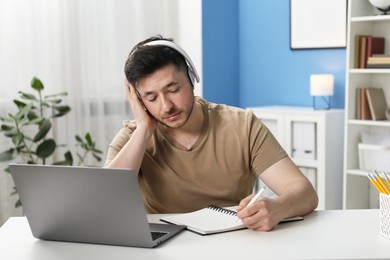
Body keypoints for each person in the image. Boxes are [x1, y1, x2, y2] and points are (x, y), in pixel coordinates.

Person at [104, 35, 318, 231]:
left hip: (231, 244)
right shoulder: (133, 137)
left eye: (173, 90)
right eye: (151, 98)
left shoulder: (241, 125)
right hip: (163, 250)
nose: (166, 106)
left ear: (191, 79)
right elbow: (104, 200)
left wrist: (278, 207)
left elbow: (305, 193)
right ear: (139, 101)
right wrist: (143, 130)